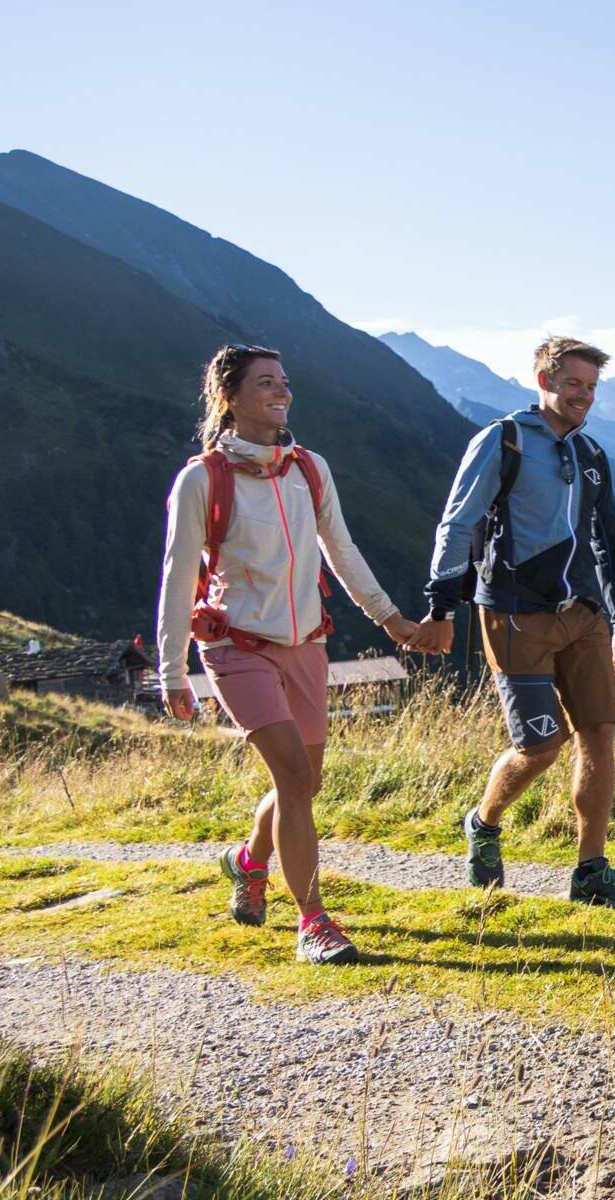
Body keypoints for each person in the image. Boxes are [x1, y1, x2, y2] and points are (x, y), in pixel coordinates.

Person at [157, 344, 422, 965]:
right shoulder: (201, 480)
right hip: (235, 649)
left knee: (306, 781)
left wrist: (390, 617)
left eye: (285, 381)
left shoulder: (309, 469)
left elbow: (342, 549)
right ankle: (314, 924)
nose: (282, 391)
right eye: (266, 382)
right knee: (296, 778)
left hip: (307, 644)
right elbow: (175, 578)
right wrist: (172, 671)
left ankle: (249, 861)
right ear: (230, 398)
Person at [408, 336, 615, 909]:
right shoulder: (505, 440)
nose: (583, 397)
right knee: (540, 747)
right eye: (573, 385)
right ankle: (484, 822)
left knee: (599, 734)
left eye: (591, 388)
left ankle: (591, 870)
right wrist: (442, 605)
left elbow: (608, 540)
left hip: (584, 614)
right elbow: (457, 522)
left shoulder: (590, 455)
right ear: (543, 380)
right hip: (515, 613)